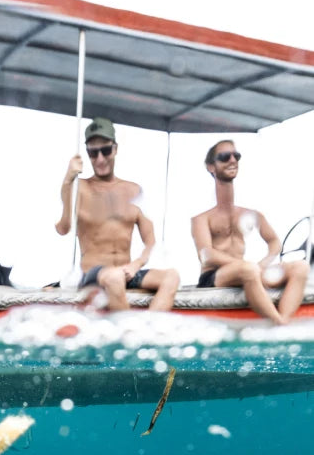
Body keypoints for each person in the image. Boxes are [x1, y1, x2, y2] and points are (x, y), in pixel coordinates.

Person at [55, 117, 180, 312]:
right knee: (114, 277)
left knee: (171, 276)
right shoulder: (79, 188)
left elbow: (151, 242)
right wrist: (67, 180)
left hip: (126, 272)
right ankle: (129, 329)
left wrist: (136, 265)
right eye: (93, 153)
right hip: (94, 274)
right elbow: (63, 228)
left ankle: (147, 326)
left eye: (105, 150)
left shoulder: (133, 190)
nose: (100, 159)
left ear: (115, 149)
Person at [191, 141, 308, 325]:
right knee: (248, 269)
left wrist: (263, 263)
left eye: (236, 156)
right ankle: (278, 322)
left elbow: (274, 242)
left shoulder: (250, 214)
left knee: (300, 267)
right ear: (211, 166)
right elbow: (206, 255)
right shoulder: (201, 219)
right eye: (224, 157)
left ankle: (284, 320)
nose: (232, 160)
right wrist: (248, 265)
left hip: (247, 271)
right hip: (214, 276)